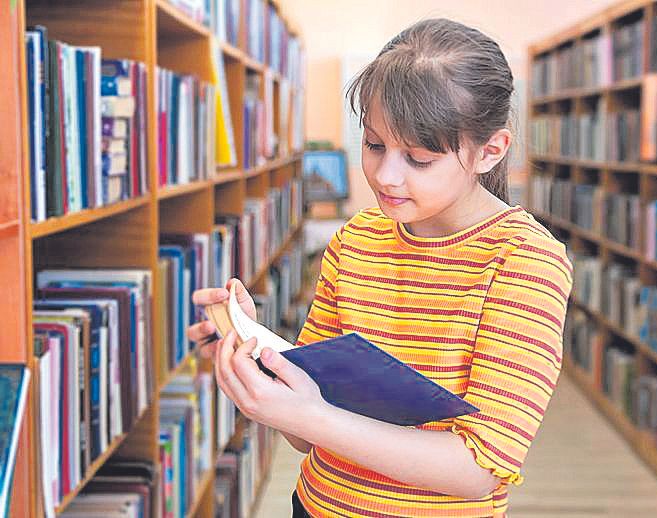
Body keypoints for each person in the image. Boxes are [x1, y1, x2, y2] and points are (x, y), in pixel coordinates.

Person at [187, 18, 572, 517]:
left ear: (490, 151)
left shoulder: (525, 261)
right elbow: (306, 435)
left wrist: (311, 417)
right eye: (373, 146)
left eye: (418, 158)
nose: (385, 176)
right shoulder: (357, 238)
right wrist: (251, 350)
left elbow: (480, 470)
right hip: (315, 505)